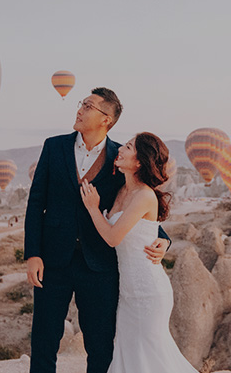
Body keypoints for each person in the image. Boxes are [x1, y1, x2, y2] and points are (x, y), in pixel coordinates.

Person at [25, 87, 171, 373]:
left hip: (100, 265)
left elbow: (140, 200)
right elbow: (36, 202)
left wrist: (163, 239)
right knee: (44, 339)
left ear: (106, 119)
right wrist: (33, 254)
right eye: (81, 104)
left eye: (88, 106)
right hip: (53, 261)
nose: (79, 109)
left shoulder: (121, 157)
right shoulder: (53, 147)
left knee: (100, 344)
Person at [79, 132, 198, 373]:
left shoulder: (144, 195)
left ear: (139, 161)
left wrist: (93, 208)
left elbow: (113, 238)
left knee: (151, 358)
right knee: (130, 357)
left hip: (149, 291)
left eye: (129, 146)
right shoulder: (122, 190)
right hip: (128, 294)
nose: (121, 149)